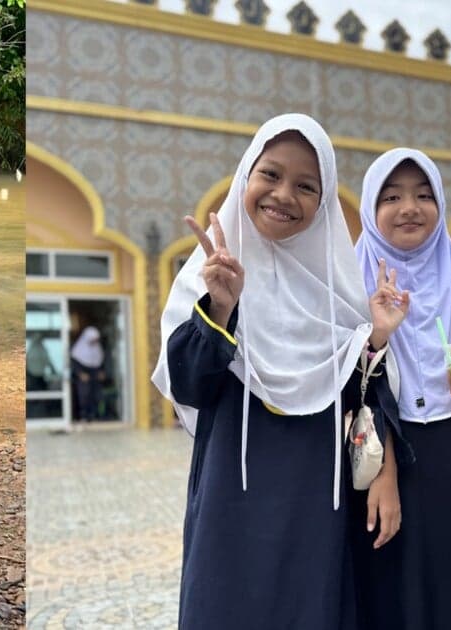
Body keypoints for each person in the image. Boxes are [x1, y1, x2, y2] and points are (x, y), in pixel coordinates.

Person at [151, 113, 409, 629]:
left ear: (325, 201)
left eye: (306, 185)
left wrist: (376, 336)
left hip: (315, 497)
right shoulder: (208, 280)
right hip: (231, 496)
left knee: (310, 605)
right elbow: (188, 387)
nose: (284, 194)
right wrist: (220, 309)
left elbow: (367, 402)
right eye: (270, 174)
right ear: (246, 175)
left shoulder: (338, 297)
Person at [351, 148, 451, 630]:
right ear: (370, 207)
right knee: (394, 586)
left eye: (424, 195)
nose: (410, 207)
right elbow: (343, 388)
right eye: (393, 196)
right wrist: (377, 333)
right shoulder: (350, 285)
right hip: (382, 458)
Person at [69, 325, 105, 425]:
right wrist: (80, 374)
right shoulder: (77, 350)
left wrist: (101, 372)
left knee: (96, 396)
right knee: (83, 396)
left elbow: (100, 362)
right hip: (83, 379)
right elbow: (74, 364)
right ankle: (83, 416)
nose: (94, 342)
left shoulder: (98, 347)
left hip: (94, 377)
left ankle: (94, 415)